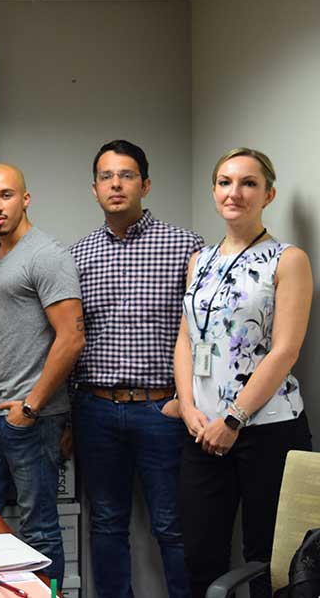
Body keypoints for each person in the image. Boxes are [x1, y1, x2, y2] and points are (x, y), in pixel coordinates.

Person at [174, 148, 313, 598]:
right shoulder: (200, 260)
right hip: (202, 431)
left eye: (249, 183)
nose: (235, 192)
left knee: (267, 558)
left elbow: (285, 350)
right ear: (214, 191)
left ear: (268, 194)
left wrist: (233, 418)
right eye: (225, 182)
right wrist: (190, 407)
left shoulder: (288, 259)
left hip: (266, 429)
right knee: (200, 554)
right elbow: (186, 341)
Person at [70, 141, 202, 598]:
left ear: (145, 184)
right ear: (94, 189)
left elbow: (203, 333)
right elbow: (72, 337)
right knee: (106, 525)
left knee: (173, 525)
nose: (116, 184)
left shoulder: (187, 246)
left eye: (126, 175)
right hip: (96, 409)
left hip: (161, 409)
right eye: (106, 177)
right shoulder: (78, 255)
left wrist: (185, 403)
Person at [0, 164, 84, 589]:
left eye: (6, 195)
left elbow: (71, 338)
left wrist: (32, 406)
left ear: (25, 199)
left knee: (39, 529)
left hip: (32, 416)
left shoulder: (47, 255)